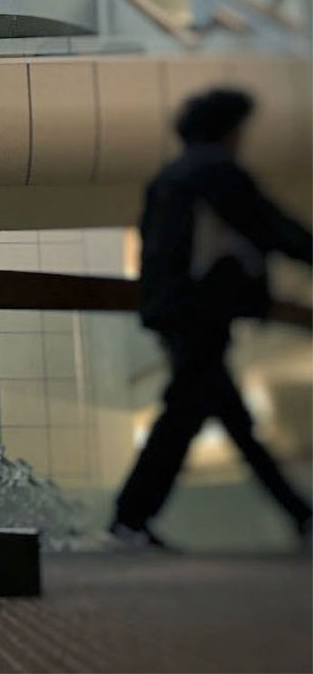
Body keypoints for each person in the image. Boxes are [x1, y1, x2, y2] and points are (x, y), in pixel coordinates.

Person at [110, 87, 312, 549]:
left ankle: (300, 515)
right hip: (201, 310)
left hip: (173, 310)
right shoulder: (216, 172)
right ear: (229, 129)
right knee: (183, 417)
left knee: (228, 419)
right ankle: (128, 520)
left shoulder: (168, 177)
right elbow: (269, 226)